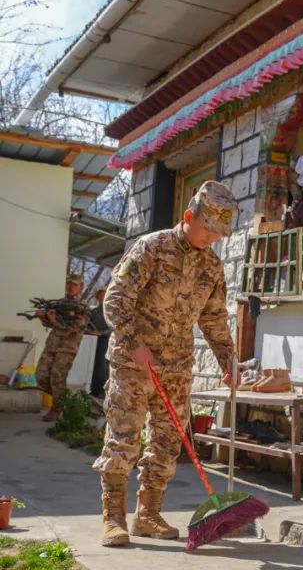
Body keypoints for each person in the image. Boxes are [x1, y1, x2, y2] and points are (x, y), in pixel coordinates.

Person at [92, 181, 238, 548]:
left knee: (167, 442)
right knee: (124, 439)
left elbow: (215, 318)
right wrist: (134, 344)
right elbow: (115, 300)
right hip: (133, 364)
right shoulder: (152, 248)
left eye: (219, 233)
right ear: (189, 216)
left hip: (176, 366)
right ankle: (113, 518)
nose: (212, 238)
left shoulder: (212, 265)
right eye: (208, 229)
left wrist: (228, 361)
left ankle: (148, 515)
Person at [36, 274, 89, 422]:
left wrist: (54, 322)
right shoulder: (59, 304)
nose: (70, 287)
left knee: (57, 378)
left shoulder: (83, 308)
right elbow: (51, 324)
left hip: (67, 348)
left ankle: (56, 409)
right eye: (68, 284)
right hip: (52, 345)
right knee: (40, 376)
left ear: (81, 287)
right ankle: (63, 399)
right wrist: (43, 318)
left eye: (74, 284)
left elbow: (76, 328)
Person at [89, 288, 110, 399]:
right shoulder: (93, 311)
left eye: (104, 295)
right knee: (92, 365)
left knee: (102, 367)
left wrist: (100, 333)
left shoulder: (110, 311)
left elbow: (113, 328)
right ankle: (93, 388)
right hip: (92, 342)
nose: (102, 298)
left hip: (105, 341)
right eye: (100, 295)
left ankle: (102, 390)